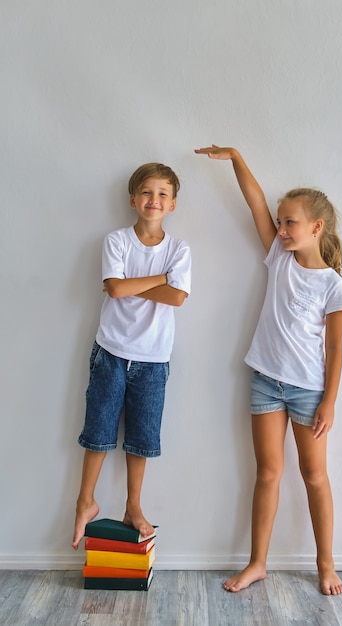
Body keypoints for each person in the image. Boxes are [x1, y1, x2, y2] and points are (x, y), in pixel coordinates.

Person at [195, 145, 342, 595]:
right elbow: (256, 203)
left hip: (307, 392)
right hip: (265, 381)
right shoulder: (278, 257)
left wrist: (329, 402)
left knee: (315, 475)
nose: (280, 229)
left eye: (290, 222)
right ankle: (257, 562)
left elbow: (336, 349)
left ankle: (326, 565)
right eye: (279, 222)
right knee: (267, 473)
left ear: (316, 228)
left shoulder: (332, 284)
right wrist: (238, 158)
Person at [72, 162, 191, 550]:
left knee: (141, 440)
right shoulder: (117, 240)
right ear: (132, 199)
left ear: (172, 204)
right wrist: (159, 277)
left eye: (162, 194)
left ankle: (132, 506)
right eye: (146, 192)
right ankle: (85, 500)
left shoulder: (179, 249)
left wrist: (130, 284)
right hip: (111, 352)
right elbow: (115, 290)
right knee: (99, 431)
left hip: (154, 359)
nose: (153, 200)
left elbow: (177, 297)